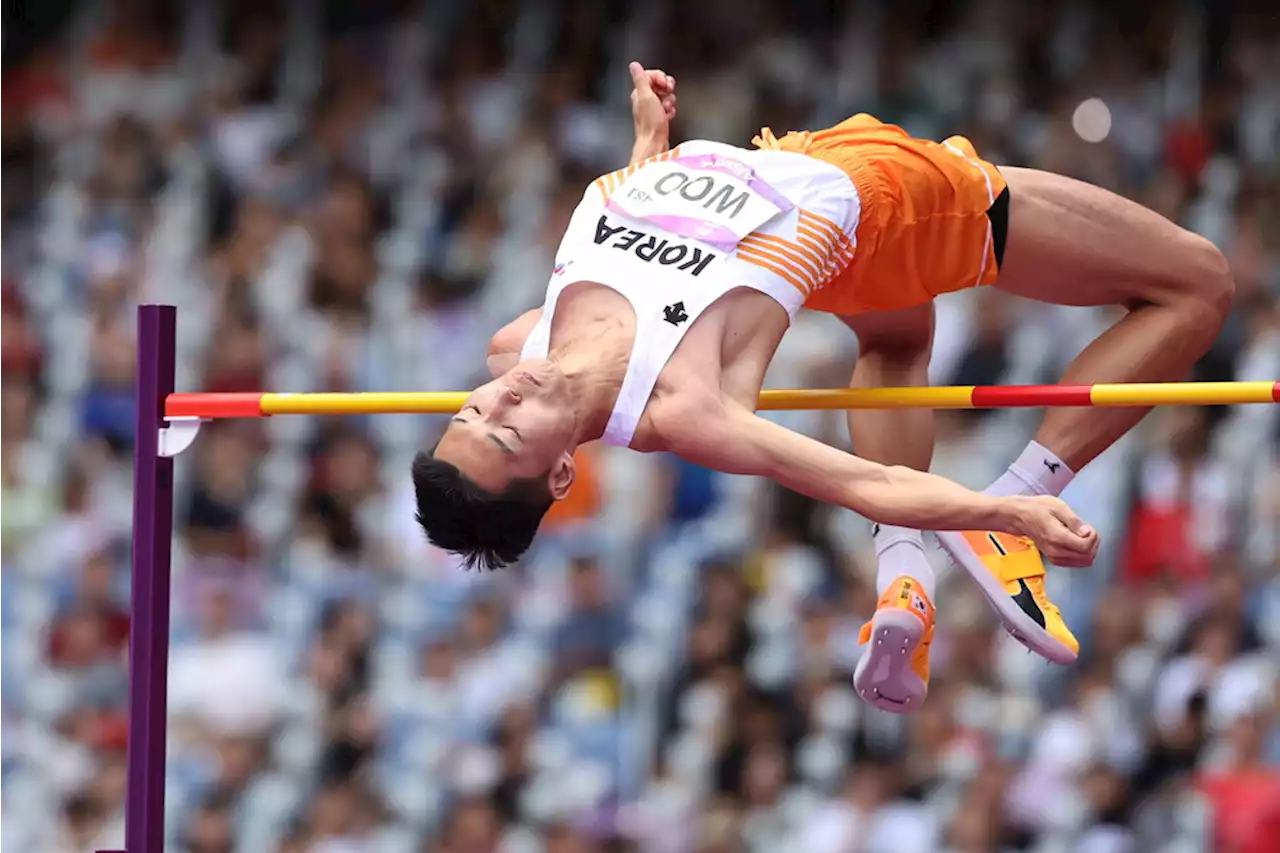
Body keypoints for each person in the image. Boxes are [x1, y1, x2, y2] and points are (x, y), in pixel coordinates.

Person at [414, 63, 1232, 712]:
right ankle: (1028, 486)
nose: (505, 399)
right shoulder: (686, 407)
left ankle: (904, 575)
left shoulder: (517, 344)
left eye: (476, 409)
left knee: (895, 343)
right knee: (1196, 283)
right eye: (509, 433)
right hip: (895, 206)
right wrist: (1007, 509)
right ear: (563, 472)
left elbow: (651, 248)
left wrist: (648, 151)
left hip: (804, 176)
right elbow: (863, 480)